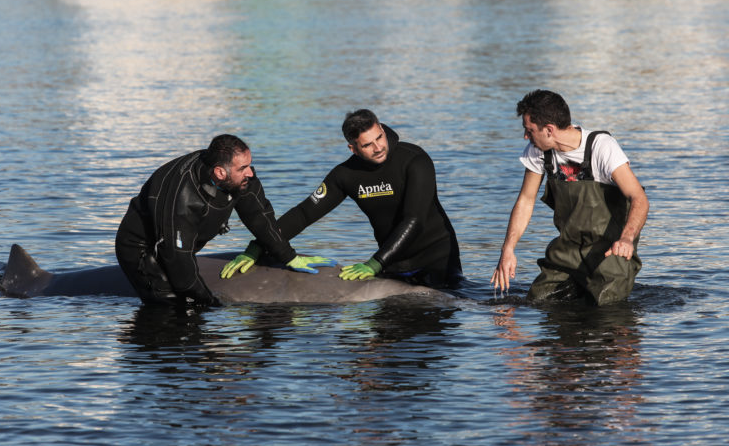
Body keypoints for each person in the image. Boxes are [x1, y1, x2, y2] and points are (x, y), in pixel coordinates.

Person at [222, 109, 463, 288]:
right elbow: (304, 213)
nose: (378, 147)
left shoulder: (414, 160)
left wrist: (375, 263)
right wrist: (257, 247)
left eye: (379, 137)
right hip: (395, 264)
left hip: (437, 259)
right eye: (368, 145)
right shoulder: (345, 175)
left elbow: (414, 220)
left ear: (381, 128)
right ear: (353, 149)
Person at [115, 134, 335, 306]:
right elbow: (178, 264)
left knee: (192, 298)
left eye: (250, 165)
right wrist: (212, 303)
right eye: (243, 168)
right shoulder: (182, 199)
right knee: (176, 308)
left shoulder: (239, 177)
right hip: (143, 249)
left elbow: (260, 218)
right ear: (220, 172)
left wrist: (289, 257)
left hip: (179, 244)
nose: (250, 173)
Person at [491, 90, 649, 304]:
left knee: (606, 309)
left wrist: (627, 239)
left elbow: (639, 198)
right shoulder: (538, 151)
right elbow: (526, 200)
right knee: (537, 302)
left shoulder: (601, 147)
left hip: (611, 249)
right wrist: (508, 249)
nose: (525, 137)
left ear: (549, 130)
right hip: (567, 248)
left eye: (529, 130)